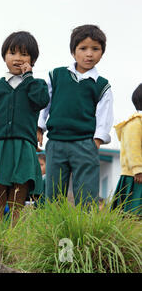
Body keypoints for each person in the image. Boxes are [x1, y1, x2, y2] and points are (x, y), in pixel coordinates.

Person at [0, 31, 49, 224]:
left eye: (24, 54)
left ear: (32, 59)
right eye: (12, 53)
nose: (18, 58)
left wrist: (28, 76)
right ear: (4, 56)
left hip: (23, 146)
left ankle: (14, 234)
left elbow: (41, 101)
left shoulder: (36, 84)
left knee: (19, 190)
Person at [37, 24, 114, 206]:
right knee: (54, 192)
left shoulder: (102, 85)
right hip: (56, 143)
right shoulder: (56, 75)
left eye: (95, 49)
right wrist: (39, 126)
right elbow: (44, 104)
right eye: (83, 48)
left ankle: (84, 230)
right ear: (73, 52)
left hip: (85, 144)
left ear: (101, 53)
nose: (89, 54)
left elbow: (105, 116)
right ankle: (53, 231)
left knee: (87, 194)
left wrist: (97, 141)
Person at [111, 83, 142, 216]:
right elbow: (132, 148)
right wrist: (138, 169)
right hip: (136, 177)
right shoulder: (135, 123)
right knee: (132, 213)